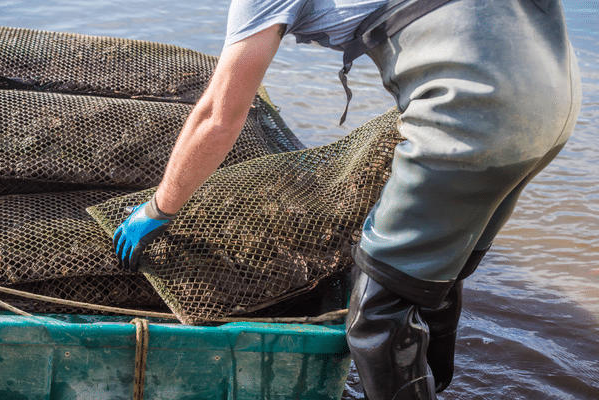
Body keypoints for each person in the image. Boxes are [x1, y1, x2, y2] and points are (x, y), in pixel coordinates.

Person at [113, 0, 582, 398]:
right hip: (553, 99)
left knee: (377, 318)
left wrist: (160, 208)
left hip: (473, 109)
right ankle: (440, 388)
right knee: (434, 277)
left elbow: (219, 115)